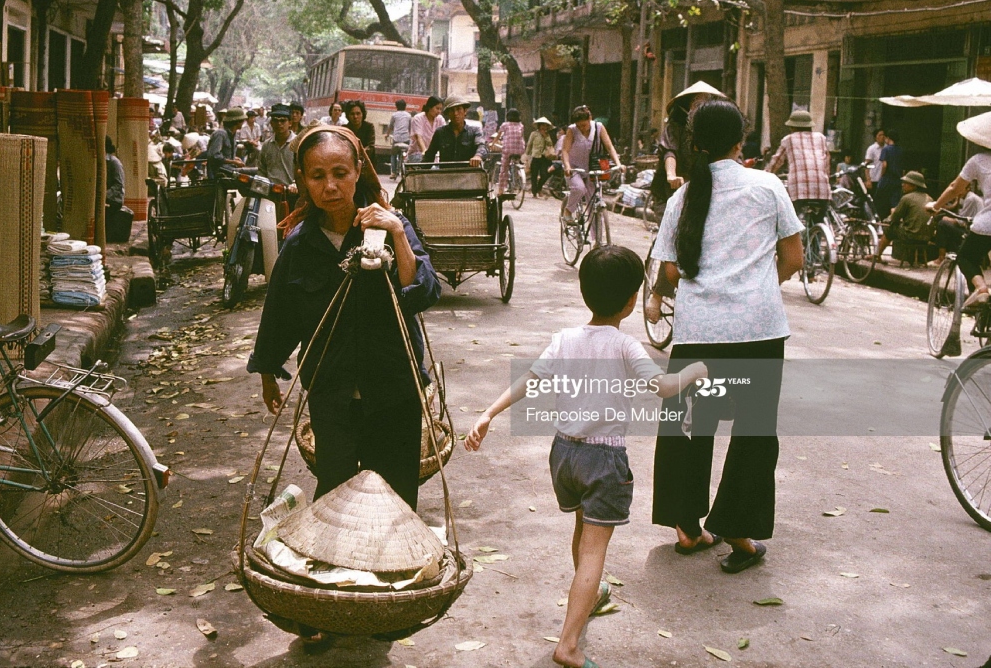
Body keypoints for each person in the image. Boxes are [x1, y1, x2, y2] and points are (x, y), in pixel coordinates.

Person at [465, 245, 708, 668]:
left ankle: (590, 594)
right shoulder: (625, 346)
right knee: (596, 552)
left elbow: (531, 379)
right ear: (632, 301)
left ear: (584, 292)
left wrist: (487, 413)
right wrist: (695, 371)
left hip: (563, 455)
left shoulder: (565, 340)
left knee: (582, 531)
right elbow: (665, 388)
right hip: (603, 461)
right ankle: (569, 644)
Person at [248, 124, 441, 512]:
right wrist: (268, 373)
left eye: (340, 174)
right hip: (330, 391)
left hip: (393, 389)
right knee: (335, 495)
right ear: (303, 179)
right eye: (318, 176)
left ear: (358, 172)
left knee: (394, 500)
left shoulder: (390, 227)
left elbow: (423, 292)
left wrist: (397, 236)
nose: (330, 186)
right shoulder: (300, 244)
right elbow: (280, 313)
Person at [649, 98, 803, 574]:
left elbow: (670, 269)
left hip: (699, 333)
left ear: (693, 144)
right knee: (754, 430)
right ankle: (738, 529)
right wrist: (752, 290)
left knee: (689, 428)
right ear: (742, 141)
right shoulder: (767, 186)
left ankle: (688, 529)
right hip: (758, 331)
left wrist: (705, 291)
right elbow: (793, 259)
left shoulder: (683, 197)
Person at [928, 117, 991, 310]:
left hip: (987, 224)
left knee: (966, 258)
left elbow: (955, 187)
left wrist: (936, 206)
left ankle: (981, 289)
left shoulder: (979, 160)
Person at [651, 81, 727, 210]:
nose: (701, 107)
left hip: (698, 187)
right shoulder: (674, 127)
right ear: (688, 104)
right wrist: (671, 175)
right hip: (670, 189)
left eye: (705, 103)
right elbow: (670, 152)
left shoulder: (711, 130)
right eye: (697, 103)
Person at [767, 109, 831, 225]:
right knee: (818, 223)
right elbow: (827, 161)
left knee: (792, 222)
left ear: (793, 127)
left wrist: (766, 175)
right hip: (822, 188)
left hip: (798, 189)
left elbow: (776, 162)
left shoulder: (789, 139)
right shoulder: (821, 138)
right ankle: (817, 236)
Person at [561, 105, 620, 223]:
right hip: (575, 168)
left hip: (593, 168)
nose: (582, 128)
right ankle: (568, 211)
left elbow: (609, 147)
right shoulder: (572, 130)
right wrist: (567, 166)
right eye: (579, 126)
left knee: (594, 203)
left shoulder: (599, 128)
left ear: (590, 118)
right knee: (579, 188)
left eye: (584, 125)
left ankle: (597, 240)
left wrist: (619, 164)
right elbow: (565, 150)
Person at [876, 170, 932, 262]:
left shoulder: (907, 198)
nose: (903, 185)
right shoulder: (929, 198)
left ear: (914, 186)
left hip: (911, 235)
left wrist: (886, 221)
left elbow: (894, 218)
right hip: (926, 237)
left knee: (889, 230)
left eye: (906, 183)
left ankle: (877, 255)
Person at [422, 96, 486, 166]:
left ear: (465, 111)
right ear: (448, 113)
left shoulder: (475, 131)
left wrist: (478, 156)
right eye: (452, 110)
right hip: (446, 175)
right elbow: (429, 156)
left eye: (458, 109)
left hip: (468, 175)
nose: (455, 113)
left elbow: (481, 146)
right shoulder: (440, 132)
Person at [931, 182, 981, 266]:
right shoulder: (964, 198)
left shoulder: (970, 198)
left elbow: (961, 222)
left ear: (968, 188)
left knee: (942, 224)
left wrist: (948, 219)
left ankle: (941, 258)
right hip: (970, 228)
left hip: (971, 231)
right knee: (945, 223)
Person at [257, 104, 296, 190]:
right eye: (275, 120)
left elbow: (304, 170)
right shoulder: (267, 145)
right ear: (271, 123)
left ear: (290, 123)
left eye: (283, 121)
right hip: (270, 191)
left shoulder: (298, 144)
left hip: (291, 192)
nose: (279, 124)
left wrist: (295, 183)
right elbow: (261, 169)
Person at [494, 108, 526, 197]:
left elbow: (498, 135)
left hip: (508, 149)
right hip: (520, 149)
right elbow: (521, 137)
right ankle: (516, 177)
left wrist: (493, 143)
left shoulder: (505, 125)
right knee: (515, 163)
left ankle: (501, 191)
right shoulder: (521, 125)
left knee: (504, 169)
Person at [206, 107, 246, 179]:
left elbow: (226, 154)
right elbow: (214, 156)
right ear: (237, 122)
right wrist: (233, 162)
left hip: (229, 168)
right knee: (252, 172)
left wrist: (234, 158)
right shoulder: (220, 134)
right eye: (242, 121)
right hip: (220, 170)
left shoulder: (233, 134)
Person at [874, 129, 903, 219]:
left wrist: (881, 175)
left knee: (880, 201)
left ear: (888, 138)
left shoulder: (886, 149)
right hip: (897, 179)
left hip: (887, 179)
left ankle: (880, 220)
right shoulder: (900, 150)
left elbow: (884, 165)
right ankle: (893, 220)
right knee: (894, 203)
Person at [525, 116, 556, 197]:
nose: (544, 127)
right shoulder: (534, 134)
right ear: (539, 125)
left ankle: (539, 187)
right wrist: (526, 156)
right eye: (542, 125)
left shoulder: (547, 135)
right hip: (535, 157)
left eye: (545, 125)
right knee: (534, 175)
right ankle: (534, 192)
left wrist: (545, 136)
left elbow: (550, 144)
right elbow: (529, 145)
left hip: (545, 158)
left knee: (545, 174)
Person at [408, 95, 443, 164]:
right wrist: (424, 151)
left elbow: (444, 136)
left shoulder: (440, 119)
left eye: (440, 109)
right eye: (437, 108)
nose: (439, 111)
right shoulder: (418, 118)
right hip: (417, 153)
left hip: (434, 156)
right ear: (429, 107)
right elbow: (419, 138)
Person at [388, 99, 412, 179]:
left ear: (396, 106)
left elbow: (390, 126)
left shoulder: (394, 115)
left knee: (393, 155)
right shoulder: (409, 115)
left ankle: (394, 172)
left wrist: (387, 134)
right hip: (406, 139)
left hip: (396, 139)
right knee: (408, 154)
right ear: (405, 106)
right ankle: (406, 170)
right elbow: (410, 128)